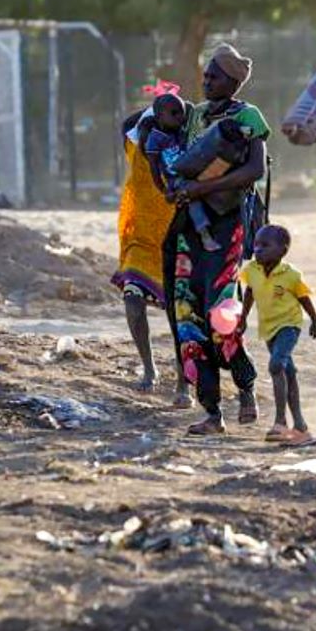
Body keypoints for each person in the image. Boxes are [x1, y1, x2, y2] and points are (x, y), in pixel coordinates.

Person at [164, 44, 271, 436]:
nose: (207, 81)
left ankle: (245, 387)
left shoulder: (248, 116)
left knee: (221, 315)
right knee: (187, 316)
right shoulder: (193, 115)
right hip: (189, 227)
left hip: (227, 225)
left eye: (214, 76)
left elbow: (255, 170)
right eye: (206, 75)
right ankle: (212, 411)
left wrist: (202, 188)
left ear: (233, 80)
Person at [112, 98, 185, 403]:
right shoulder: (134, 144)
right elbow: (127, 123)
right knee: (132, 299)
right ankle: (149, 369)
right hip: (140, 239)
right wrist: (158, 105)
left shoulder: (180, 150)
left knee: (180, 314)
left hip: (176, 237)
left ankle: (184, 382)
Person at [239, 225, 316, 445]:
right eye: (256, 244)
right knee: (289, 372)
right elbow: (250, 293)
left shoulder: (291, 275)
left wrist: (314, 319)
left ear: (282, 251)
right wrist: (243, 317)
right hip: (268, 328)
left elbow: (303, 298)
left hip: (289, 325)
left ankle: (280, 422)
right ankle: (300, 424)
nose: (258, 249)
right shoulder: (252, 270)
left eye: (265, 245)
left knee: (276, 365)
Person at [143, 93, 220, 251]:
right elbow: (154, 168)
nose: (180, 117)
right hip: (177, 180)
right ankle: (204, 234)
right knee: (192, 197)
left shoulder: (181, 132)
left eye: (181, 113)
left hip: (193, 172)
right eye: (174, 113)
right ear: (159, 116)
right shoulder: (155, 139)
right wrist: (165, 190)